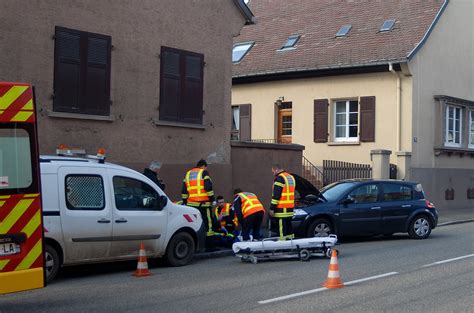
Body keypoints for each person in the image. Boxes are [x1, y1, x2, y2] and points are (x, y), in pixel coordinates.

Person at [181, 159, 218, 251]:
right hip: (204, 204)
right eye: (206, 167)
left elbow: (184, 190)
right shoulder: (204, 172)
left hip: (191, 205)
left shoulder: (188, 174)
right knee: (208, 225)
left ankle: (196, 247)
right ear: (203, 166)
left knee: (194, 224)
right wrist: (212, 199)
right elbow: (208, 187)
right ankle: (210, 247)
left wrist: (185, 201)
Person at [269, 164, 296, 240]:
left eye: (273, 171)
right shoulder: (290, 177)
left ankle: (282, 243)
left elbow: (276, 195)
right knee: (289, 227)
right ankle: (291, 243)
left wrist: (272, 208)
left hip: (281, 208)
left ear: (276, 170)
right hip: (290, 207)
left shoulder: (280, 178)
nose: (273, 173)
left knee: (281, 228)